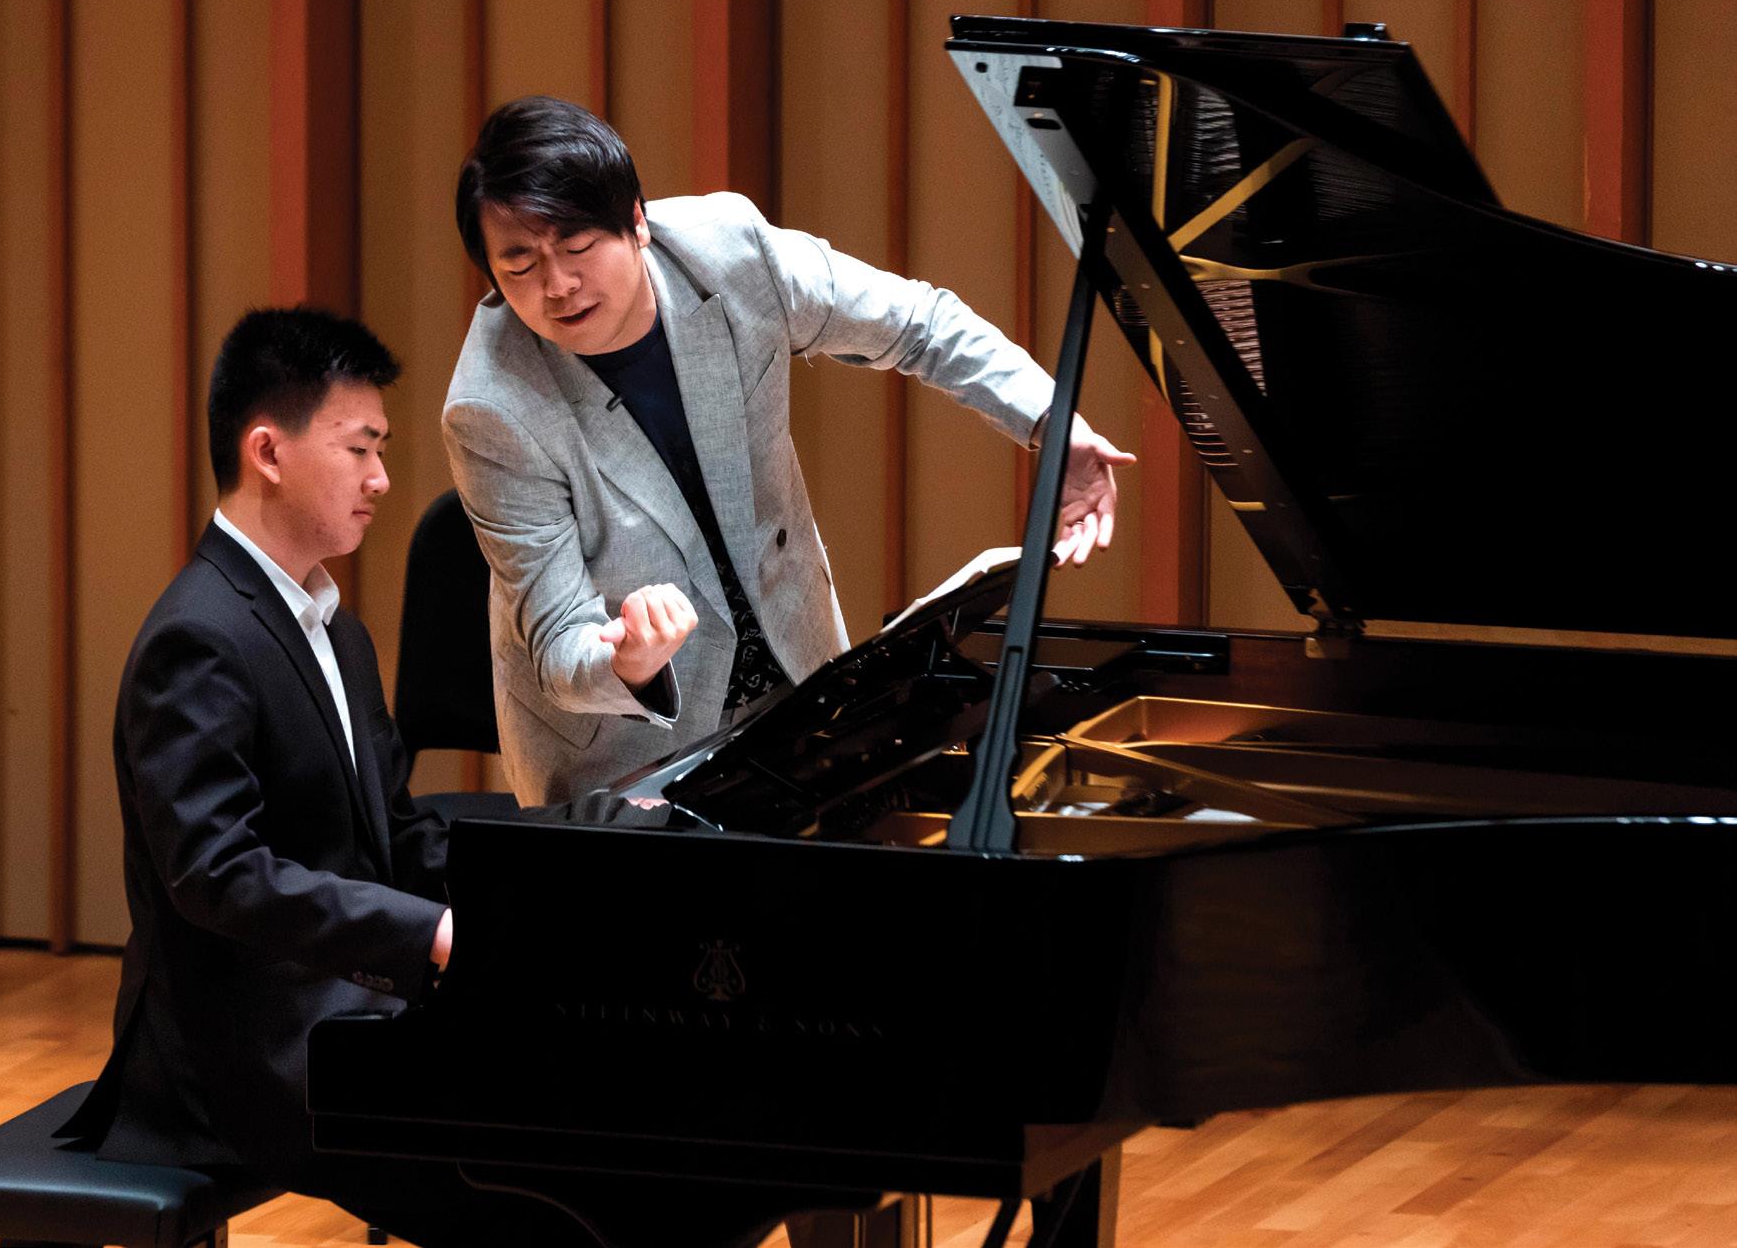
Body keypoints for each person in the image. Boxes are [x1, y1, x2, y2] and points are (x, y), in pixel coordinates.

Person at [57, 306, 797, 1248]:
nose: (381, 478)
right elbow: (217, 875)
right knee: (557, 1181)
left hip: (352, 1004)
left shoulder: (335, 629)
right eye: (359, 448)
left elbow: (397, 835)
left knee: (636, 1135)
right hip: (246, 1050)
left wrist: (592, 832)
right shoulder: (198, 637)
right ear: (268, 452)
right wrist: (432, 932)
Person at [443, 95, 1136, 805]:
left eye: (577, 246)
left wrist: (1051, 423)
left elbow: (918, 325)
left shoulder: (732, 254)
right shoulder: (491, 408)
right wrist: (627, 660)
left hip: (796, 679)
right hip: (626, 752)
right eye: (520, 263)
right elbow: (557, 637)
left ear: (637, 222)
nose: (557, 285)